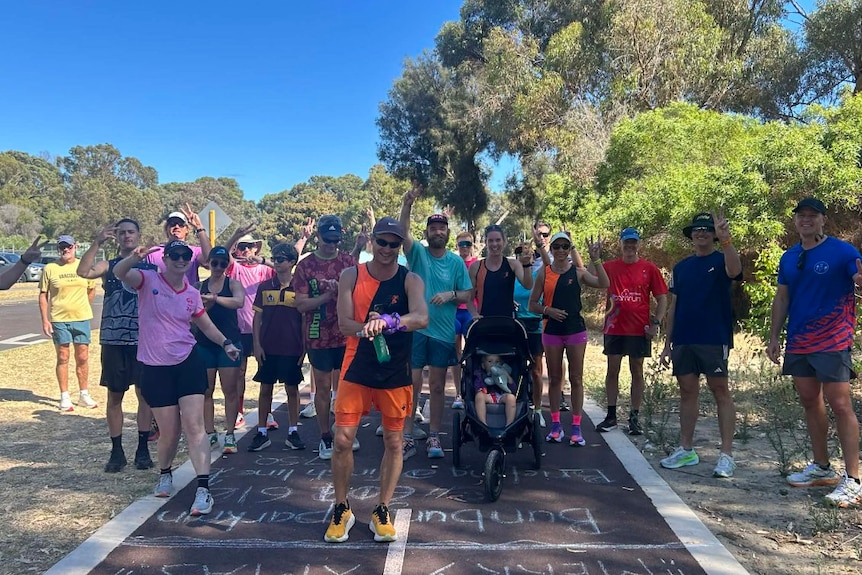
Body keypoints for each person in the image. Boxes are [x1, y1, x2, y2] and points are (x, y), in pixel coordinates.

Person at [113, 239, 241, 517]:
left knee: (194, 426)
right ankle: (165, 473)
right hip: (155, 368)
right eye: (176, 255)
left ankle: (203, 489)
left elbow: (205, 325)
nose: (181, 260)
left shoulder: (192, 293)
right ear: (166, 258)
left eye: (185, 256)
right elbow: (119, 273)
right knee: (169, 432)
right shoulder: (147, 280)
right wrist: (134, 257)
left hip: (187, 363)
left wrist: (226, 343)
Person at [325, 216, 428, 543]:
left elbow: (422, 317)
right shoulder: (351, 275)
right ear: (372, 241)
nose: (386, 249)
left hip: (395, 370)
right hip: (357, 366)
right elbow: (344, 324)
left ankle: (382, 508)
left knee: (395, 441)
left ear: (400, 246)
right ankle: (342, 507)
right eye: (381, 242)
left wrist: (388, 321)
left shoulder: (410, 279)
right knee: (342, 440)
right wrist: (368, 327)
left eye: (393, 244)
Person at [766, 197, 862, 507]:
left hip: (833, 339)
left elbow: (856, 277)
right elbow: (782, 299)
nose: (806, 220)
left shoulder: (842, 252)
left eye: (813, 215)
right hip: (800, 341)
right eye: (801, 215)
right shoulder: (789, 257)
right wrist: (774, 336)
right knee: (810, 400)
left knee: (841, 404)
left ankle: (854, 478)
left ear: (823, 220)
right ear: (795, 221)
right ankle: (821, 467)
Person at [658, 211, 742, 479]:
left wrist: (727, 240)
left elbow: (735, 271)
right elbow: (673, 307)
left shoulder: (721, 259)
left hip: (713, 337)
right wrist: (667, 344)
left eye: (707, 229)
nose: (701, 233)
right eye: (697, 230)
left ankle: (727, 455)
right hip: (684, 338)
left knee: (720, 391)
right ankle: (686, 449)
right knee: (687, 392)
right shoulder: (681, 267)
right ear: (691, 235)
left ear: (714, 235)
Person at [398, 185, 473, 460]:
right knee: (413, 383)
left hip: (443, 333)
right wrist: (407, 204)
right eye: (433, 228)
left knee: (439, 386)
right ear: (427, 233)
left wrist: (451, 294)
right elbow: (403, 233)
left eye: (442, 228)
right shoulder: (417, 253)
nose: (437, 232)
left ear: (448, 233)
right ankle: (407, 435)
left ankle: (433, 436)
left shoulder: (455, 263)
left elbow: (468, 292)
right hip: (417, 330)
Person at [77, 220, 157, 472]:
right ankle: (117, 451)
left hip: (143, 340)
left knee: (145, 396)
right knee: (115, 396)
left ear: (138, 235)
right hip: (113, 340)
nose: (126, 236)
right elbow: (83, 272)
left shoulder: (150, 266)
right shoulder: (109, 266)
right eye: (121, 232)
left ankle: (143, 449)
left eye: (130, 232)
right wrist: (97, 241)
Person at [293, 214, 363, 460]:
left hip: (346, 335)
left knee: (346, 387)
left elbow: (360, 296)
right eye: (326, 239)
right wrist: (326, 296)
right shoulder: (305, 266)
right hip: (318, 335)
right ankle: (325, 436)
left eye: (335, 240)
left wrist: (342, 292)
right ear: (318, 236)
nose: (331, 244)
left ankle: (343, 430)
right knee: (322, 388)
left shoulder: (349, 262)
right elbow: (300, 304)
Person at [528, 232, 608, 446]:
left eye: (565, 246)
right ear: (551, 249)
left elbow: (603, 283)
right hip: (551, 330)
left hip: (575, 330)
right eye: (557, 246)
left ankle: (576, 427)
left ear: (570, 248)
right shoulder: (544, 274)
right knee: (554, 379)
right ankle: (556, 426)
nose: (561, 250)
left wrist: (596, 259)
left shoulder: (578, 272)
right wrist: (549, 310)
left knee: (577, 378)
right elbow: (532, 304)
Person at [594, 227, 668, 435]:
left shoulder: (649, 268)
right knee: (613, 370)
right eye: (626, 242)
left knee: (637, 370)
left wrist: (656, 322)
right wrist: (595, 257)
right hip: (614, 327)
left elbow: (662, 297)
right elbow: (590, 277)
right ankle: (611, 416)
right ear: (621, 244)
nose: (630, 246)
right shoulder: (610, 267)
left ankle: (634, 417)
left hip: (639, 329)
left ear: (638, 244)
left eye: (633, 242)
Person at [250, 243, 306, 452]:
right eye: (275, 258)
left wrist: (304, 347)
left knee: (292, 388)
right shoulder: (265, 286)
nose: (277, 262)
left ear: (292, 262)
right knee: (265, 388)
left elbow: (304, 320)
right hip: (268, 347)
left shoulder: (300, 287)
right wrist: (256, 344)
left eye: (281, 259)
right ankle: (262, 432)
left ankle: (293, 430)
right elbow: (257, 317)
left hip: (292, 347)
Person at [223, 227, 275, 428]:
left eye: (249, 246)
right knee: (239, 372)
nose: (246, 251)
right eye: (241, 247)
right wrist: (234, 237)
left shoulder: (265, 269)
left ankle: (267, 412)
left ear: (256, 248)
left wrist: (263, 261)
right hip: (238, 328)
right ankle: (238, 411)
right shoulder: (234, 268)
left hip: (263, 328)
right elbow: (220, 254)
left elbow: (284, 269)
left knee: (265, 371)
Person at [39, 234, 98, 411]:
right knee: (63, 356)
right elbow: (43, 295)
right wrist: (45, 320)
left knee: (82, 357)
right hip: (59, 319)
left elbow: (91, 289)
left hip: (81, 318)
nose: (66, 250)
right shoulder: (50, 268)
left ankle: (84, 394)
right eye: (62, 247)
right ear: (58, 249)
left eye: (69, 246)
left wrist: (83, 307)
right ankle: (64, 396)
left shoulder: (84, 265)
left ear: (75, 247)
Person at [195, 246, 244, 454]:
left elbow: (238, 302)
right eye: (214, 263)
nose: (218, 267)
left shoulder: (232, 284)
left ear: (227, 265)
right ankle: (210, 432)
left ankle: (230, 433)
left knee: (230, 390)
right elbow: (194, 313)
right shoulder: (199, 286)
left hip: (230, 342)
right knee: (206, 391)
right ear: (209, 263)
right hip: (205, 344)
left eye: (223, 264)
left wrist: (214, 299)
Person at [514, 240, 548, 427]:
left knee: (536, 370)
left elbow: (550, 265)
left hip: (535, 325)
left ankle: (538, 410)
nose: (523, 256)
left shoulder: (539, 275)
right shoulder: (512, 277)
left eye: (527, 253)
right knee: (516, 367)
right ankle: (516, 409)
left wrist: (541, 247)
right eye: (519, 253)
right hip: (517, 325)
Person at [468, 224, 534, 319]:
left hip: (508, 321)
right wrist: (474, 314)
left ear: (504, 242)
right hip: (484, 321)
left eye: (498, 240)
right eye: (490, 240)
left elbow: (528, 285)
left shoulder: (513, 264)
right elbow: (469, 298)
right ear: (486, 243)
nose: (494, 244)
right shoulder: (476, 267)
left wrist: (527, 265)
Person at [144, 206, 212, 284]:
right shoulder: (153, 252)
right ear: (166, 229)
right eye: (172, 224)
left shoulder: (194, 251)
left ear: (187, 230)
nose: (176, 227)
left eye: (181, 224)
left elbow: (209, 260)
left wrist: (199, 227)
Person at [451, 230, 478, 410]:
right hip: (453, 312)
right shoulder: (452, 263)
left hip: (470, 312)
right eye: (462, 244)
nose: (465, 248)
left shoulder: (477, 264)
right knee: (456, 354)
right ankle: (458, 393)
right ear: (457, 246)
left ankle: (476, 390)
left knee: (473, 352)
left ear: (473, 245)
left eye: (468, 244)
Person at [473, 353, 516, 427]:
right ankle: (482, 423)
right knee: (479, 396)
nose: (494, 364)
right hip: (488, 396)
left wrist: (507, 376)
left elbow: (513, 389)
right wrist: (482, 388)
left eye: (497, 362)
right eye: (490, 361)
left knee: (511, 398)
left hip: (502, 396)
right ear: (483, 365)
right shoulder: (480, 374)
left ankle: (509, 424)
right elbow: (477, 387)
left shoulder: (503, 373)